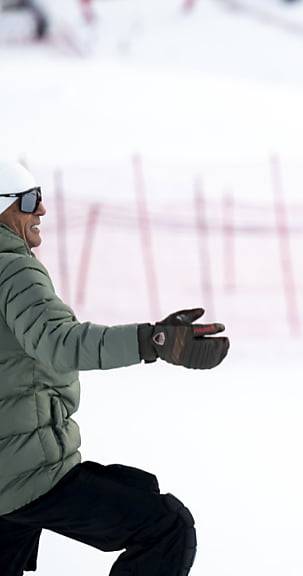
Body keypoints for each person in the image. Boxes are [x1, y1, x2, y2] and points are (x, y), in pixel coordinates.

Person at [0, 159, 230, 576]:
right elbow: (60, 342)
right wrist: (152, 341)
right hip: (24, 472)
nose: (41, 211)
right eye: (29, 200)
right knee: (165, 527)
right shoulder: (13, 270)